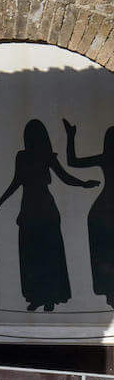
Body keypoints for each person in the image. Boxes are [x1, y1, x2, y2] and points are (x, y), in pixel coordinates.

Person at [0, 117, 89, 311]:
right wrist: (0, 201)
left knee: (45, 255)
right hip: (31, 209)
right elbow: (17, 181)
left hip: (44, 209)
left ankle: (49, 297)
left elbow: (65, 177)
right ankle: (37, 297)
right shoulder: (23, 156)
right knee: (33, 255)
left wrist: (83, 184)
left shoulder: (46, 155)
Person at [62, 117, 114, 307]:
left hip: (101, 210)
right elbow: (73, 162)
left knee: (104, 252)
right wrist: (70, 136)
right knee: (105, 252)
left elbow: (72, 161)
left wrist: (71, 137)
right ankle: (109, 292)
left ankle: (109, 292)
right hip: (102, 212)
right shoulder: (105, 157)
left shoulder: (104, 157)